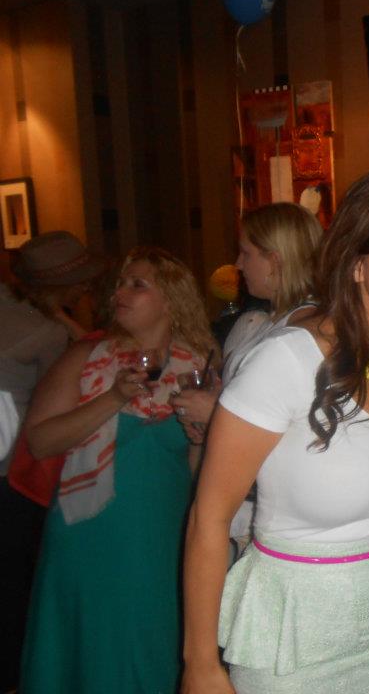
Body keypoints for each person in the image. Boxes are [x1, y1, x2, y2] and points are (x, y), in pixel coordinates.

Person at [181, 163, 369, 694]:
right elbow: (208, 519)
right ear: (355, 263)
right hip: (294, 634)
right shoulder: (286, 361)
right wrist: (200, 666)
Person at [19, 246, 217, 693]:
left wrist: (201, 437)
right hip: (90, 534)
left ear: (170, 300)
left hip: (161, 537)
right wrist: (113, 398)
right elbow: (40, 441)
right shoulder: (86, 357)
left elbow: (198, 474)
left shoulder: (197, 368)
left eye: (137, 285)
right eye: (121, 284)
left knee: (153, 645)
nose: (119, 293)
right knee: (93, 653)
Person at [172, 202, 324, 548]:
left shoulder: (303, 332)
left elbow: (309, 432)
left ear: (276, 261)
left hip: (280, 520)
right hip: (249, 504)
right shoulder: (269, 322)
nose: (238, 265)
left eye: (246, 253)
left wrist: (215, 413)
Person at [0, 230, 105, 692]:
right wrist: (68, 323)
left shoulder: (12, 306)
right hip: (10, 467)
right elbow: (69, 387)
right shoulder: (49, 333)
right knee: (15, 582)